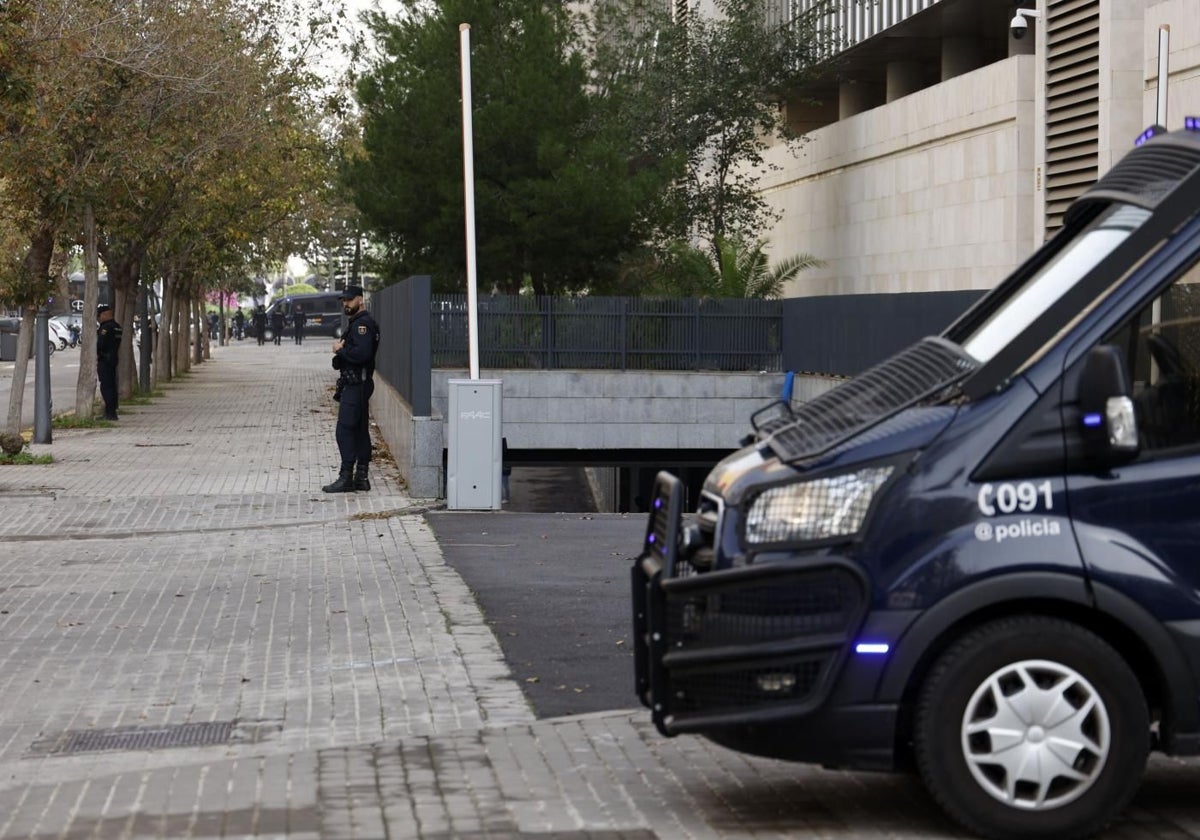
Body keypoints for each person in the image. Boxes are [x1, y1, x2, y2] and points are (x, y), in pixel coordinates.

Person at [323, 285, 380, 493]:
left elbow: (362, 355)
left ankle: (346, 476)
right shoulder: (359, 323)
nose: (345, 303)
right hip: (359, 383)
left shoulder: (362, 325)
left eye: (349, 300)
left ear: (360, 299)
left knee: (344, 430)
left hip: (357, 385)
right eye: (343, 300)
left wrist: (341, 350)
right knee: (359, 429)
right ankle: (361, 477)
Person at [95, 304, 122, 421]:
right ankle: (111, 411)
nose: (98, 319)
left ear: (105, 314)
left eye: (99, 316)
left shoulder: (106, 328)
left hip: (105, 359)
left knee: (106, 387)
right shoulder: (117, 326)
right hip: (113, 358)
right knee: (112, 385)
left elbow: (100, 344)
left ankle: (110, 413)